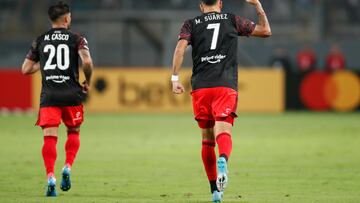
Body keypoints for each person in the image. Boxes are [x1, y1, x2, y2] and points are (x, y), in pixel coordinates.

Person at [170, 0, 271, 201]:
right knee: (223, 131)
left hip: (201, 87)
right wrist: (258, 6)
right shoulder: (232, 20)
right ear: (220, 3)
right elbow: (265, 31)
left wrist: (174, 78)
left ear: (201, 6)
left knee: (206, 140)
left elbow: (180, 49)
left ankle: (215, 191)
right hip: (225, 85)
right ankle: (223, 160)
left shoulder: (190, 24)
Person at [21, 1, 93, 197]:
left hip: (50, 96)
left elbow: (26, 69)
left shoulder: (40, 39)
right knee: (73, 131)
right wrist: (88, 80)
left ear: (51, 19)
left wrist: (43, 64)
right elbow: (86, 61)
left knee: (49, 138)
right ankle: (67, 167)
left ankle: (50, 176)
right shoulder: (77, 38)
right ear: (67, 18)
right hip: (71, 94)